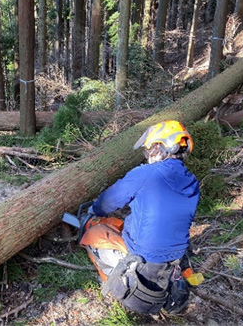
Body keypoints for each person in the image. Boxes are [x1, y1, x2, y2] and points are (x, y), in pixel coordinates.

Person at [80, 120, 200, 315]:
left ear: (162, 148)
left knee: (94, 233)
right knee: (118, 224)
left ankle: (113, 281)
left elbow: (109, 201)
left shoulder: (146, 174)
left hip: (143, 255)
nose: (149, 155)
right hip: (177, 256)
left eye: (151, 149)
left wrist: (95, 210)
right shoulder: (191, 181)